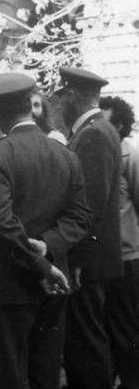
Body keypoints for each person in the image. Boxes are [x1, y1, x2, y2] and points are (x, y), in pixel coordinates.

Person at [0, 73, 91, 389]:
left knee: (7, 375)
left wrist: (40, 261)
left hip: (7, 283)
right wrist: (48, 247)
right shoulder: (66, 154)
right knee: (45, 372)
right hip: (55, 283)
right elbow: (81, 217)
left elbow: (2, 219)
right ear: (31, 106)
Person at [55, 67, 123, 389]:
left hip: (89, 260)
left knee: (86, 340)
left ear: (72, 96)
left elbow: (90, 206)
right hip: (97, 256)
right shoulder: (99, 130)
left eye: (61, 99)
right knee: (89, 336)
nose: (58, 107)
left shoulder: (93, 133)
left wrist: (79, 259)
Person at [100, 96, 139, 389]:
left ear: (121, 125)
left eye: (107, 121)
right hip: (100, 259)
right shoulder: (100, 153)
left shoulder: (130, 156)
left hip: (127, 257)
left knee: (125, 327)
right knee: (101, 326)